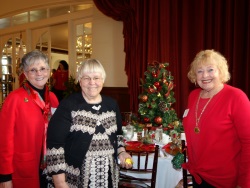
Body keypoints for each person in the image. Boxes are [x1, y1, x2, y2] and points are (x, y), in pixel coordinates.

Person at [46, 59, 132, 188]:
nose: (92, 82)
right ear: (80, 81)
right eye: (86, 78)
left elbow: (118, 135)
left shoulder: (112, 104)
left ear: (102, 80)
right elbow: (54, 146)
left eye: (96, 78)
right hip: (75, 180)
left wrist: (121, 152)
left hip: (108, 178)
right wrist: (60, 183)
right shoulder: (68, 105)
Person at [182, 49, 250, 188]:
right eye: (199, 71)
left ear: (221, 72)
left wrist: (243, 184)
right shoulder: (193, 96)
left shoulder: (236, 97)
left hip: (226, 181)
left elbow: (248, 143)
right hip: (198, 176)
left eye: (210, 69)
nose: (205, 75)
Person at [0, 50, 59, 188]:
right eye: (33, 70)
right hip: (24, 168)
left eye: (42, 69)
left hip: (50, 167)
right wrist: (5, 176)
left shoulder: (53, 99)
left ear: (49, 71)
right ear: (25, 74)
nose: (39, 73)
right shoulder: (14, 99)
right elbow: (4, 140)